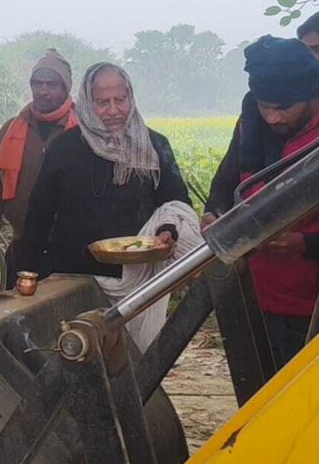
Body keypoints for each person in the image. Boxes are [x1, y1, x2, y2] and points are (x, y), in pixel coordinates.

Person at [12, 63, 197, 350]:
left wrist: (167, 230)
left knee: (136, 363)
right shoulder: (64, 149)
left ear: (130, 97)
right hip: (73, 279)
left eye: (120, 100)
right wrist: (27, 273)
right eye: (102, 102)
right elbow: (39, 216)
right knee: (77, 355)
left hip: (138, 287)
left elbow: (176, 202)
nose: (113, 111)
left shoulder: (154, 146)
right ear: (88, 103)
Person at [205, 36, 319, 367]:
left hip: (316, 306)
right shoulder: (251, 123)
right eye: (264, 105)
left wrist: (305, 243)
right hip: (252, 295)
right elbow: (227, 180)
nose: (272, 118)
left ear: (311, 94)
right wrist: (214, 213)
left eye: (283, 108)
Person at [0, 49, 78, 289]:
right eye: (37, 83)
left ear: (65, 88)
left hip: (69, 249)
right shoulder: (11, 129)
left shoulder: (83, 131)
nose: (43, 90)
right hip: (23, 245)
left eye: (51, 84)